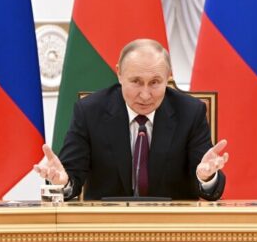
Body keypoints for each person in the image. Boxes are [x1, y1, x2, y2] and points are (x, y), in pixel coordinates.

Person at [34, 39, 228, 200]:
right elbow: (70, 179)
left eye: (155, 82)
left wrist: (206, 177)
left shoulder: (190, 112)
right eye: (136, 82)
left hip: (172, 230)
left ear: (168, 77)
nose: (145, 95)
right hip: (106, 230)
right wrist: (62, 183)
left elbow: (209, 189)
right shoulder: (90, 111)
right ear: (119, 74)